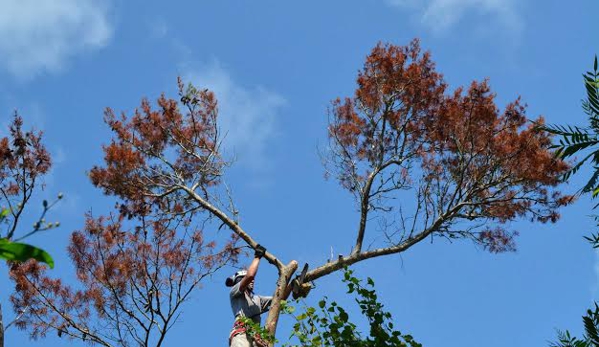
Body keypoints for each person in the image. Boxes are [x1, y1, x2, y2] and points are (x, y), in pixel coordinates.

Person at [226, 244, 291, 347]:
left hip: (255, 340)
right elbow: (250, 276)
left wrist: (292, 285)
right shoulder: (234, 293)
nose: (252, 282)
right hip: (241, 335)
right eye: (244, 278)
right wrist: (257, 257)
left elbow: (279, 300)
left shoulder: (257, 299)